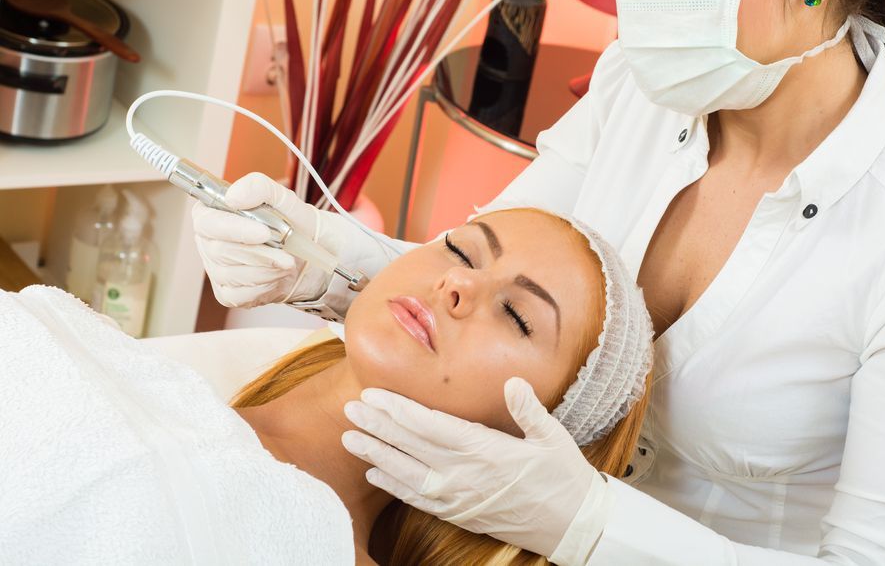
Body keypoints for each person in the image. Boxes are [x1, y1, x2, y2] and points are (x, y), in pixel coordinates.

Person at [193, 0, 885, 563]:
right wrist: (322, 260)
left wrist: (591, 525)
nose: (634, 4)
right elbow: (483, 278)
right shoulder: (636, 95)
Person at [0, 208, 652, 565]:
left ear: (532, 436)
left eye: (516, 315)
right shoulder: (119, 363)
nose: (459, 286)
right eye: (460, 250)